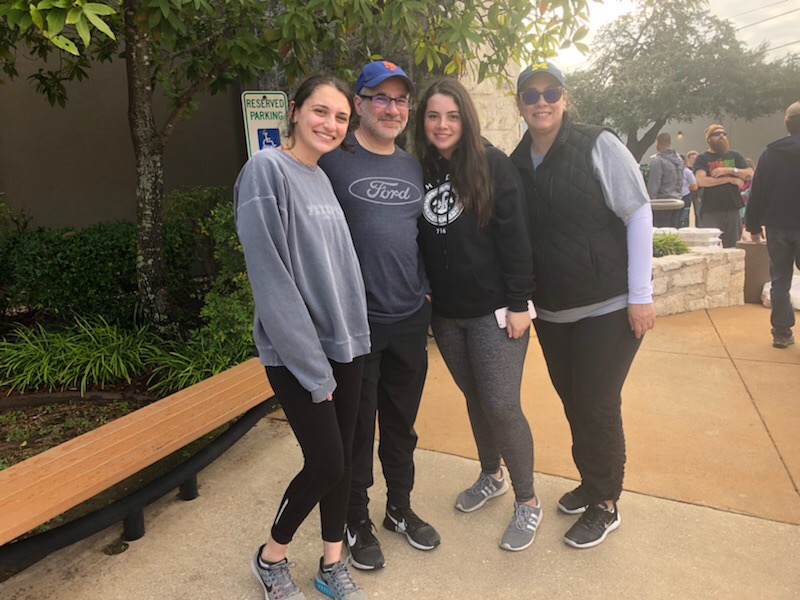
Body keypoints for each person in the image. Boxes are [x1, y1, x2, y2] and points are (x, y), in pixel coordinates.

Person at [509, 61, 656, 549]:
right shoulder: (516, 162)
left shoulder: (598, 143)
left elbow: (637, 213)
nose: (542, 101)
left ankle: (605, 503)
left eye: (551, 92)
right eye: (531, 95)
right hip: (553, 313)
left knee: (596, 405)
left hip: (607, 306)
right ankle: (592, 481)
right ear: (521, 106)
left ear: (565, 98)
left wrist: (641, 296)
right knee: (575, 403)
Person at [234, 75, 370, 600]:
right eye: (320, 111)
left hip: (348, 345)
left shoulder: (321, 176)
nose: (330, 124)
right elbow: (272, 280)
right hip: (300, 355)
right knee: (327, 463)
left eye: (340, 117)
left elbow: (340, 267)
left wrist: (358, 335)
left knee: (349, 457)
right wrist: (314, 370)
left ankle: (331, 565)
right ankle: (271, 558)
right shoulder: (265, 171)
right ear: (294, 112)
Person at [318, 61, 439, 570]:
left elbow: (428, 235)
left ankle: (400, 508)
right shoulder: (331, 162)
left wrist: (428, 297)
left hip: (410, 318)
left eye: (400, 100)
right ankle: (356, 519)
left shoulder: (414, 166)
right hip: (357, 324)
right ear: (361, 104)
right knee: (355, 428)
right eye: (381, 98)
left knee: (401, 424)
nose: (392, 109)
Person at [414, 79, 540, 551]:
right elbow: (417, 237)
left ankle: (527, 501)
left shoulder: (492, 163)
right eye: (433, 116)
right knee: (475, 398)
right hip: (447, 315)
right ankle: (492, 474)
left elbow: (516, 238)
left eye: (452, 115)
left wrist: (519, 303)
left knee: (502, 404)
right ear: (422, 122)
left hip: (495, 312)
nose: (442, 125)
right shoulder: (420, 169)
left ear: (466, 119)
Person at [745, 101, 800, 349]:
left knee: (780, 279)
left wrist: (753, 226)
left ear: (787, 124)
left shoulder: (770, 153)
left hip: (777, 226)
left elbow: (757, 193)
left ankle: (781, 332)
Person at [693, 125, 753, 247]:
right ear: (708, 139)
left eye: (724, 134)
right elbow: (701, 181)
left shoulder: (735, 155)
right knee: (709, 247)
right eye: (716, 134)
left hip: (733, 208)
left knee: (733, 247)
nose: (721, 136)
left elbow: (750, 174)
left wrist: (730, 170)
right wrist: (730, 179)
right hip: (711, 209)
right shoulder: (702, 158)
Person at [647, 132, 684, 227]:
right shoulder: (679, 159)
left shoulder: (658, 161)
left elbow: (654, 185)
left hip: (661, 204)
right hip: (677, 202)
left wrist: (650, 202)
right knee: (674, 232)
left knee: (661, 234)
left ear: (657, 143)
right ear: (670, 142)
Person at [679, 154, 699, 229]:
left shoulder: (687, 172)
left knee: (684, 217)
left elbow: (694, 186)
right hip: (674, 197)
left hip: (685, 196)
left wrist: (686, 187)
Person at [686, 150, 702, 226]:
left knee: (698, 213)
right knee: (686, 213)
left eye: (696, 158)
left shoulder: (699, 170)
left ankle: (699, 227)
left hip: (696, 193)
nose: (695, 160)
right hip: (687, 193)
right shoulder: (685, 170)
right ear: (688, 159)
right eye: (693, 158)